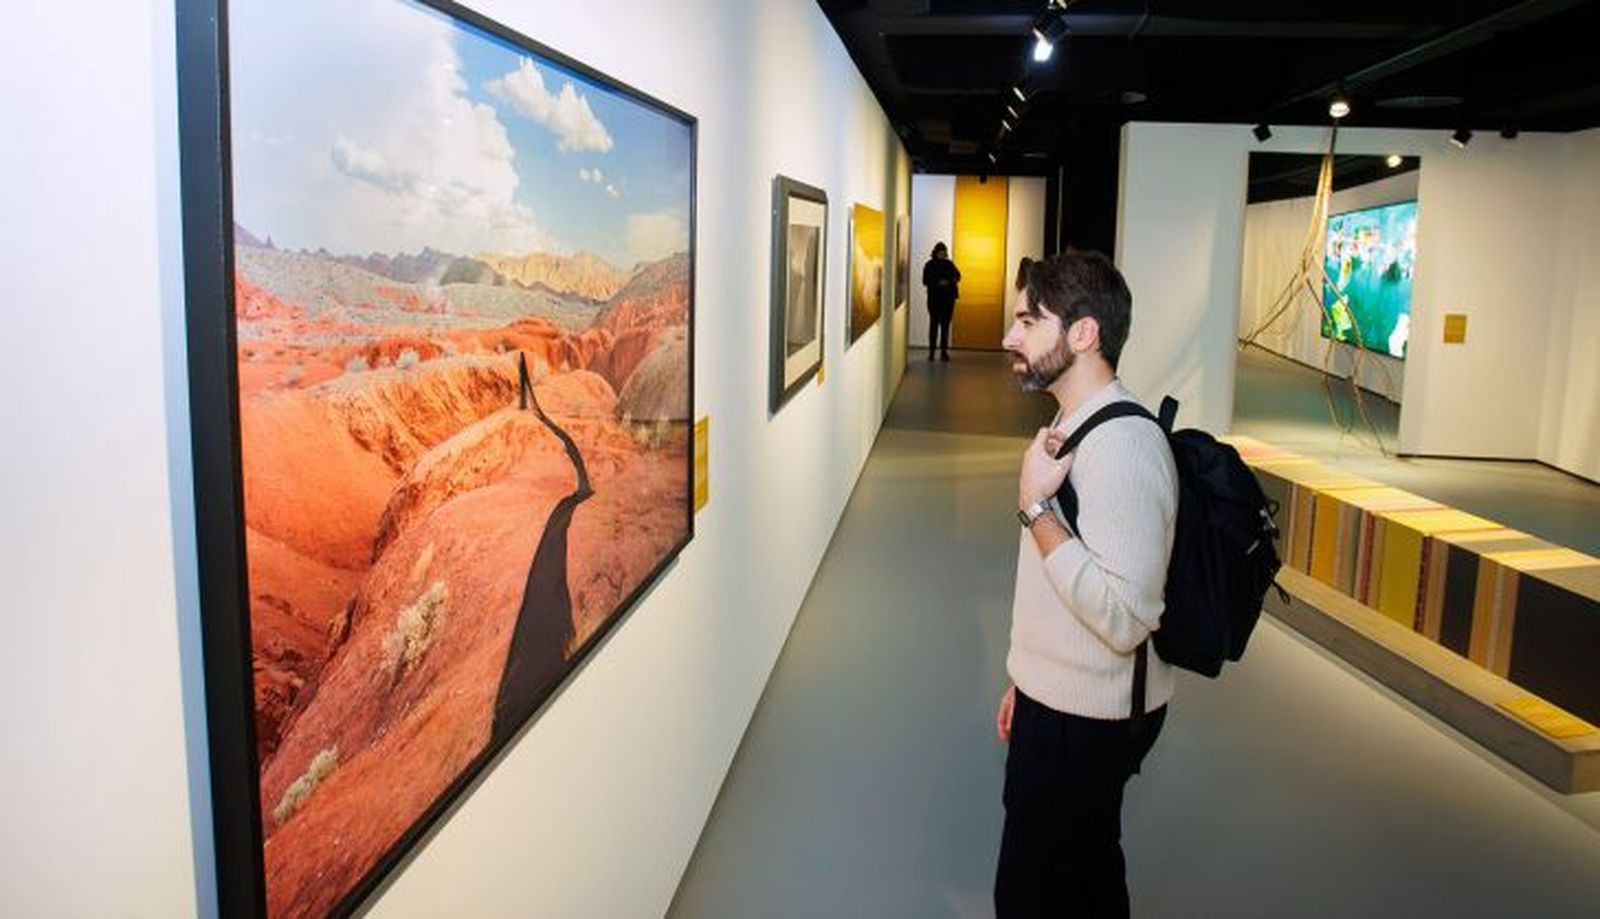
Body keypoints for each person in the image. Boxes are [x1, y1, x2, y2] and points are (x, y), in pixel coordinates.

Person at [993, 250, 1178, 918]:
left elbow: (1125, 617)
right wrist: (1027, 677)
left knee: (1044, 892)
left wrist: (1036, 509)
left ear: (1084, 333)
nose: (1010, 337)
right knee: (1077, 873)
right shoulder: (1074, 423)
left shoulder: (1123, 447)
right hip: (1059, 700)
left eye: (1028, 321)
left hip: (1089, 719)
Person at [921, 241, 961, 361]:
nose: (942, 254)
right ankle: (932, 352)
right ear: (936, 252)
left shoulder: (949, 264)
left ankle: (943, 351)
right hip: (934, 300)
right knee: (933, 325)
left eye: (944, 252)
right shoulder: (929, 265)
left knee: (945, 326)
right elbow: (925, 280)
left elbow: (958, 276)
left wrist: (948, 281)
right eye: (940, 252)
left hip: (948, 300)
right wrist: (939, 283)